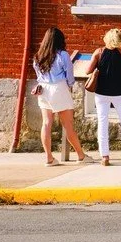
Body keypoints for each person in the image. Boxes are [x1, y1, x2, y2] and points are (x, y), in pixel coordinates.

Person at [31, 27, 89, 165]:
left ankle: (49, 158)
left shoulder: (38, 56)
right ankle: (81, 156)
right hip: (59, 87)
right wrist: (69, 85)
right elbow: (69, 77)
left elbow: (38, 75)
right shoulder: (63, 55)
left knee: (46, 123)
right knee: (68, 125)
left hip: (43, 89)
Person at [88, 28, 121, 167]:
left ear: (107, 38)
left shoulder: (99, 52)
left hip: (101, 93)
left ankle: (105, 157)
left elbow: (88, 70)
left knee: (103, 123)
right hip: (119, 93)